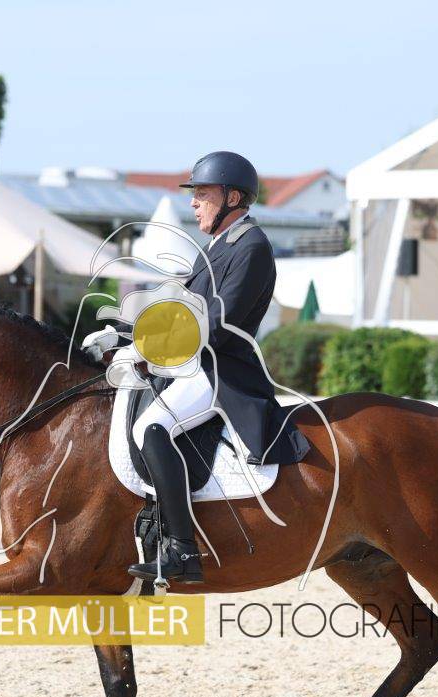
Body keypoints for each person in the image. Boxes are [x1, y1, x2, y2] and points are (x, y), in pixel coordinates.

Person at [82, 151, 309, 584]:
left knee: (152, 428)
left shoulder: (252, 247)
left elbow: (217, 324)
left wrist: (149, 349)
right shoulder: (216, 246)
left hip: (221, 370)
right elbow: (179, 311)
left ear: (233, 198)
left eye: (203, 194)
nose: (194, 202)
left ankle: (183, 549)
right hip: (194, 364)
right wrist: (123, 334)